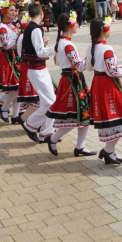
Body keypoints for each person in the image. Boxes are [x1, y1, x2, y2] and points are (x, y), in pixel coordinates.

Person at [87, 17, 122, 165]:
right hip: (108, 86)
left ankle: (110, 152)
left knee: (112, 118)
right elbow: (113, 71)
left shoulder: (91, 47)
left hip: (98, 83)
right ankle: (108, 150)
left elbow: (89, 67)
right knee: (121, 117)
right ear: (104, 30)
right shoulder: (106, 49)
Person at [45, 12, 96, 157]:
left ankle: (80, 146)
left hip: (72, 79)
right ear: (70, 25)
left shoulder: (62, 42)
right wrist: (91, 56)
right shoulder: (67, 45)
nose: (78, 25)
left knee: (84, 113)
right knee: (75, 115)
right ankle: (53, 138)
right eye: (75, 22)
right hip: (72, 82)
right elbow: (78, 65)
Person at [19, 4, 57, 144]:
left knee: (48, 102)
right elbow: (40, 52)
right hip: (36, 69)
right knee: (51, 103)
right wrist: (56, 48)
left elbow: (36, 49)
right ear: (41, 12)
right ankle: (30, 125)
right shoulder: (35, 29)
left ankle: (46, 133)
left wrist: (44, 44)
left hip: (39, 68)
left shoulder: (31, 28)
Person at [0, 2, 22, 123]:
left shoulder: (12, 25)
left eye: (15, 10)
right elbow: (6, 45)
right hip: (8, 58)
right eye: (11, 10)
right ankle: (4, 108)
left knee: (17, 88)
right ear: (4, 12)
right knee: (16, 87)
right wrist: (20, 40)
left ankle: (15, 115)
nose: (14, 12)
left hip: (16, 57)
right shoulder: (3, 27)